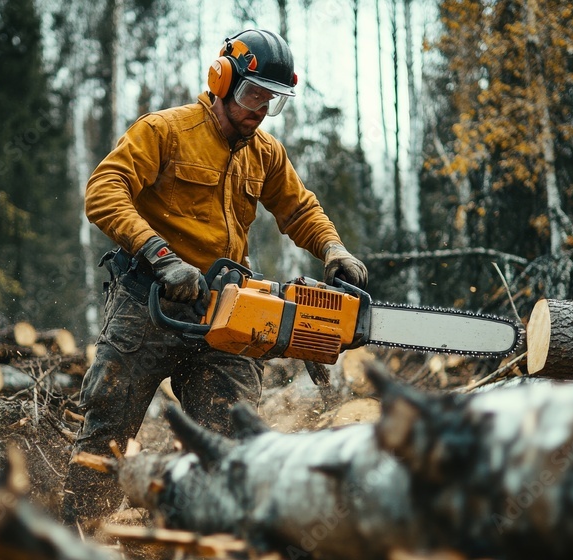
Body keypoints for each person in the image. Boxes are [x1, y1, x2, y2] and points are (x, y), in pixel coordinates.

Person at [62, 28, 368, 522]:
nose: (260, 110)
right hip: (149, 303)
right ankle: (76, 535)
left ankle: (203, 540)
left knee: (230, 440)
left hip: (224, 310)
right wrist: (160, 255)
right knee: (106, 433)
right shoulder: (165, 131)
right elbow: (103, 191)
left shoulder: (264, 152)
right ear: (222, 80)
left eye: (273, 100)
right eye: (252, 96)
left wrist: (332, 248)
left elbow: (298, 210)